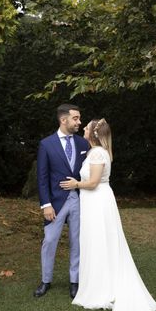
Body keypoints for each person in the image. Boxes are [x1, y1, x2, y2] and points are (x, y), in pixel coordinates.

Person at [60, 118, 156, 311]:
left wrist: (76, 184)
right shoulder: (94, 151)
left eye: (87, 127)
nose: (84, 128)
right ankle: (99, 284)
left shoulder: (97, 153)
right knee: (96, 241)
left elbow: (94, 182)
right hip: (93, 201)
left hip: (97, 201)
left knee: (99, 241)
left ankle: (102, 289)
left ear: (93, 134)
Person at [34, 104, 90, 298]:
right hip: (55, 203)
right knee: (49, 241)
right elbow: (42, 177)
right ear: (63, 120)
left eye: (79, 118)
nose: (79, 122)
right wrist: (46, 204)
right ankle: (45, 280)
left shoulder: (84, 144)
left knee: (77, 242)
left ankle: (75, 282)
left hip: (79, 201)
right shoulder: (46, 144)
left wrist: (80, 184)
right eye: (76, 118)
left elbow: (90, 172)